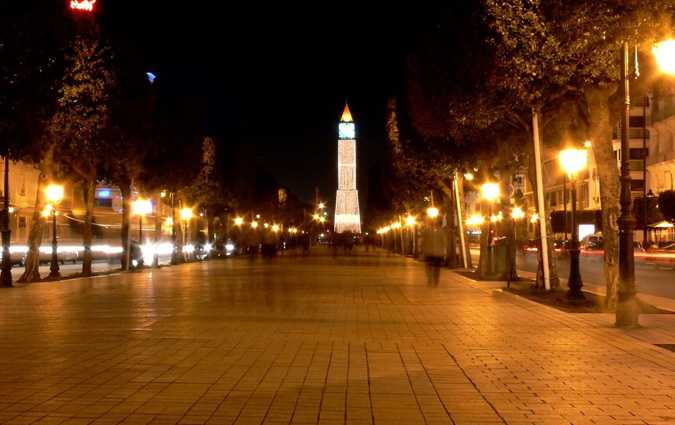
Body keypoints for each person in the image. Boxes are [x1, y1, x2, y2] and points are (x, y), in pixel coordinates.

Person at [422, 219, 446, 286]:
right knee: (435, 268)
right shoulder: (441, 231)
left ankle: (432, 279)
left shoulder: (427, 231)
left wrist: (423, 250)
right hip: (435, 253)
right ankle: (434, 280)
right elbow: (444, 242)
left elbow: (423, 242)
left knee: (431, 267)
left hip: (432, 252)